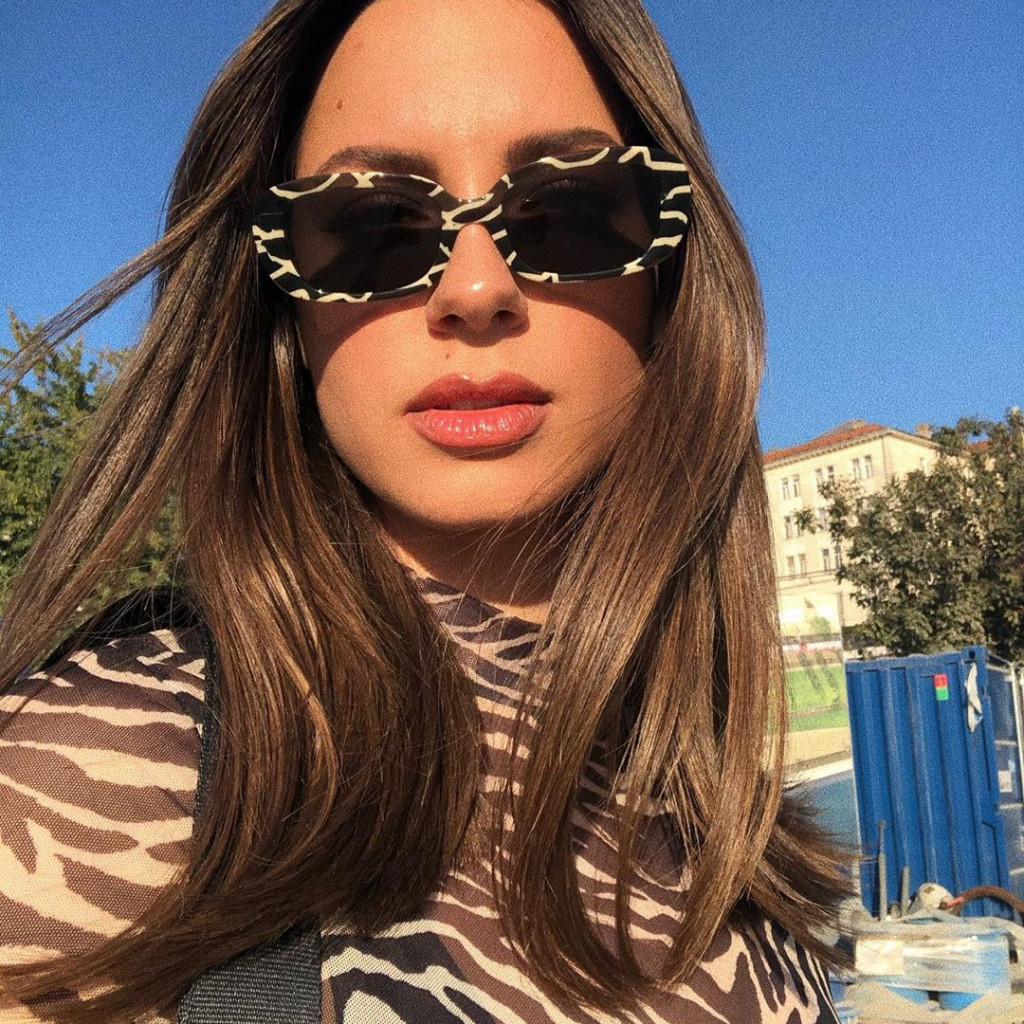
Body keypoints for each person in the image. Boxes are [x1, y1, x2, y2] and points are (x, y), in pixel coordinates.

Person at [0, 0, 851, 1020]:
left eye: (568, 210)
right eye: (369, 228)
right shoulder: (97, 771)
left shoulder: (714, 809)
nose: (475, 288)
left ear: (668, 274)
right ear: (282, 305)